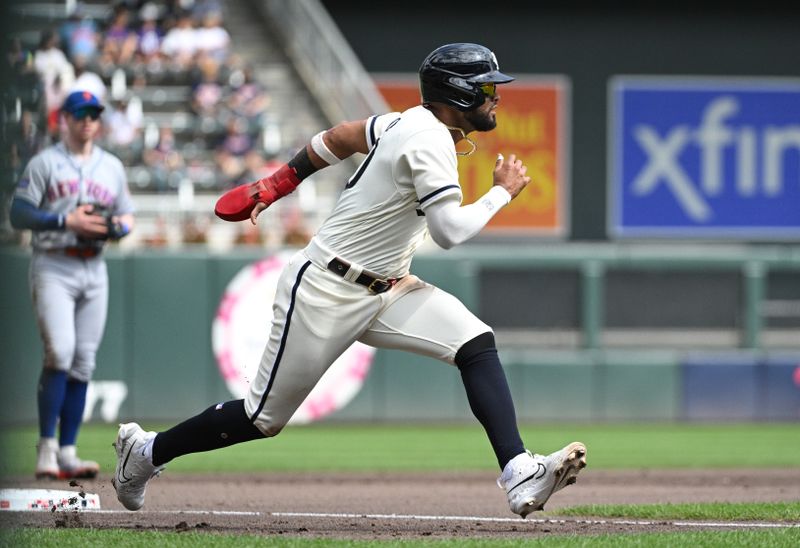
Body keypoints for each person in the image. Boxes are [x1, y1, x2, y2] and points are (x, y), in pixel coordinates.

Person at [111, 43, 586, 517]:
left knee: (475, 342)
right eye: (486, 88)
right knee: (262, 418)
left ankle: (518, 470)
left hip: (390, 287)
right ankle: (146, 452)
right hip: (326, 288)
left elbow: (339, 137)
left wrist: (279, 183)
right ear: (458, 93)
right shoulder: (429, 138)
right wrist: (501, 193)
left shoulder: (403, 121)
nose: (495, 98)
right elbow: (449, 232)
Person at [10, 90, 136, 480]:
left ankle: (67, 453)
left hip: (94, 268)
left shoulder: (111, 166)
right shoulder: (45, 162)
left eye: (94, 114)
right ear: (64, 117)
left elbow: (127, 216)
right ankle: (46, 450)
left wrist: (115, 227)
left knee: (83, 362)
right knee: (60, 354)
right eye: (80, 113)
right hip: (54, 264)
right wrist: (66, 222)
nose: (87, 120)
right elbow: (18, 212)